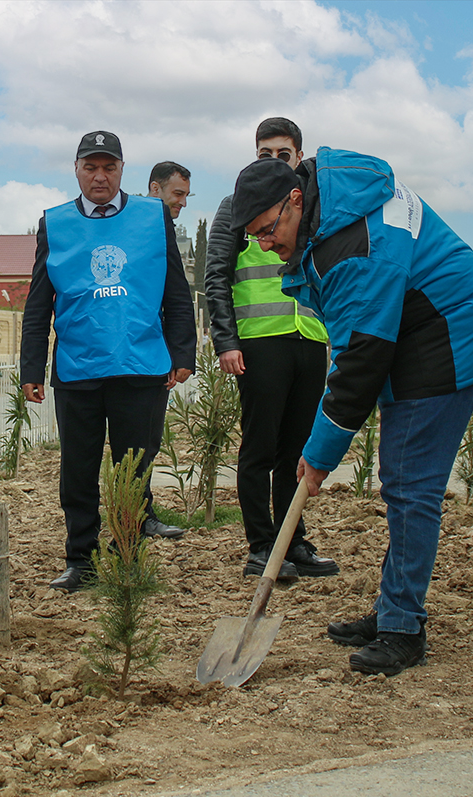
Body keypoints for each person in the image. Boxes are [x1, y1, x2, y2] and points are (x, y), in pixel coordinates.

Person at [229, 151, 473, 676]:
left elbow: (359, 364)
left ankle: (403, 629)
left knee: (410, 484)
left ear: (294, 200)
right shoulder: (334, 208)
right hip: (413, 326)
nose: (265, 245)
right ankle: (393, 609)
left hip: (446, 334)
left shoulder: (352, 247)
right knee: (399, 479)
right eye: (255, 238)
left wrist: (319, 453)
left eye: (268, 230)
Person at [20, 130, 196, 592]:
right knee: (77, 471)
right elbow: (40, 301)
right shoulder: (54, 223)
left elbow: (176, 289)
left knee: (133, 468)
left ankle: (128, 554)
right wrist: (31, 368)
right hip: (78, 368)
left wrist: (183, 353)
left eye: (109, 167)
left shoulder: (152, 216)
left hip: (140, 365)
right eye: (90, 167)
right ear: (76, 169)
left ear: (122, 170)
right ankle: (81, 558)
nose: (99, 176)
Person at [204, 117, 337, 583]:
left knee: (296, 450)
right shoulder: (233, 209)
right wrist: (226, 341)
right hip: (259, 344)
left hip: (310, 340)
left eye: (285, 154)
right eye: (266, 154)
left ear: (300, 157)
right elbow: (215, 276)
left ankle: (292, 540)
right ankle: (261, 547)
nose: (276, 161)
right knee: (259, 450)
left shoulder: (314, 205)